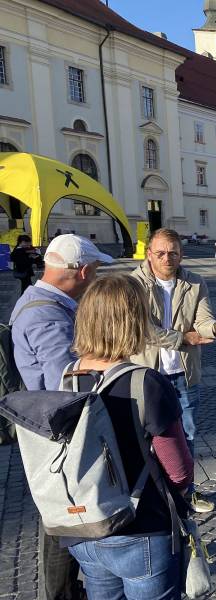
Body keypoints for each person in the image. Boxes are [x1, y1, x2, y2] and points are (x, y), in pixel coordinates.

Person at [64, 274, 193, 600]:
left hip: (85, 526)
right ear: (133, 321)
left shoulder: (67, 376)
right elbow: (179, 470)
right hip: (141, 526)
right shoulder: (145, 382)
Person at [11, 233, 112, 600]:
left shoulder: (41, 302)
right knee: (64, 516)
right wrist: (115, 362)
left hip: (55, 425)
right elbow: (66, 378)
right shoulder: (46, 314)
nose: (96, 278)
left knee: (63, 514)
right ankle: (63, 594)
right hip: (59, 430)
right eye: (96, 271)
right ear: (82, 271)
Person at [130, 228, 216, 513]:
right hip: (146, 373)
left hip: (184, 374)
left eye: (173, 252)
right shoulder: (133, 283)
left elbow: (203, 321)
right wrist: (184, 337)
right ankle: (146, 496)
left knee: (187, 435)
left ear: (181, 254)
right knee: (143, 437)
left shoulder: (194, 283)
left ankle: (185, 492)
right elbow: (143, 329)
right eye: (160, 253)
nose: (167, 258)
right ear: (149, 254)